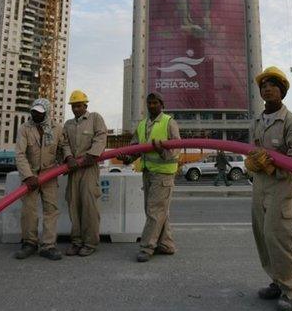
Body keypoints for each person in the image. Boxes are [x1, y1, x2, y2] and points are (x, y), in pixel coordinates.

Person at [244, 66, 292, 311]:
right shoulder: (258, 121)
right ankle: (276, 281)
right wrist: (250, 164)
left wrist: (273, 167)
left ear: (282, 91)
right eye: (264, 85)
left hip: (280, 187)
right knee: (262, 235)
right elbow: (252, 152)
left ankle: (291, 291)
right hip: (259, 185)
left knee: (278, 237)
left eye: (273, 85)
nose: (267, 88)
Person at [117, 92, 181, 262]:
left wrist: (162, 151)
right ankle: (166, 244)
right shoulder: (142, 124)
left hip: (163, 174)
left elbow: (176, 149)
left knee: (154, 211)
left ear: (162, 104)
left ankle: (147, 247)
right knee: (157, 211)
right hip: (148, 172)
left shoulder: (169, 122)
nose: (152, 106)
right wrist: (128, 158)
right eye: (149, 103)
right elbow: (136, 147)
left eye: (155, 103)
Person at [14, 99, 71, 261]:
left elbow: (64, 146)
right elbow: (19, 154)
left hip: (49, 174)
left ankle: (48, 245)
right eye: (33, 111)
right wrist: (28, 176)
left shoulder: (57, 129)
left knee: (51, 210)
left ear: (46, 113)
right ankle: (29, 243)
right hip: (30, 175)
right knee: (28, 211)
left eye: (39, 112)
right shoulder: (25, 128)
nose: (35, 115)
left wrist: (68, 157)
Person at [62, 90, 108, 257]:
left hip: (89, 168)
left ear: (85, 105)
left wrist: (91, 155)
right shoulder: (68, 124)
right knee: (73, 206)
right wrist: (68, 157)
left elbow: (101, 137)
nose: (76, 109)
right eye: (73, 106)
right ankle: (76, 242)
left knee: (89, 206)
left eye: (79, 105)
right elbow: (64, 143)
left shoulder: (95, 118)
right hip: (73, 169)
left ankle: (89, 243)